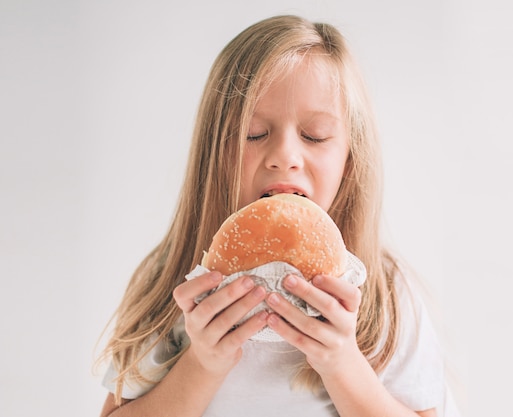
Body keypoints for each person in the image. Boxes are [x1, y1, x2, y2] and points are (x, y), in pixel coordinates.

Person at [97, 14, 460, 417]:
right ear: (215, 155)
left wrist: (343, 364)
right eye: (254, 133)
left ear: (350, 160)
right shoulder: (172, 284)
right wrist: (201, 363)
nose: (285, 157)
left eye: (315, 136)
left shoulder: (386, 294)